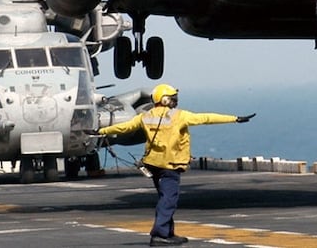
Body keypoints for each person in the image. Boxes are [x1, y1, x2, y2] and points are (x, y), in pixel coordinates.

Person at [98, 83, 255, 246]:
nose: (175, 101)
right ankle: (159, 234)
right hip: (169, 165)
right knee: (169, 199)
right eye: (173, 98)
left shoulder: (145, 116)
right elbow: (206, 118)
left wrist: (100, 131)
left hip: (153, 164)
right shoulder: (179, 116)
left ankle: (168, 232)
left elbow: (124, 127)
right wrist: (234, 119)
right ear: (165, 100)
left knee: (165, 197)